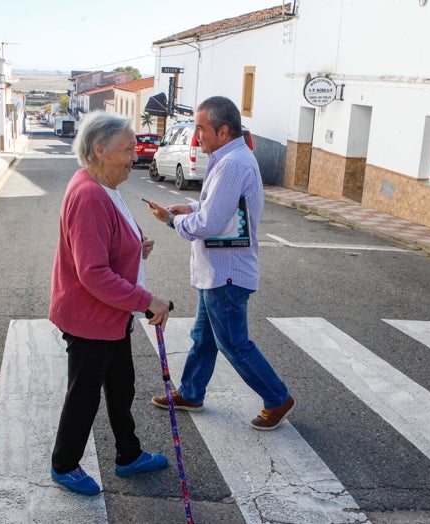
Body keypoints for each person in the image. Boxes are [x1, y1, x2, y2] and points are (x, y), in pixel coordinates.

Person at [145, 96, 294, 431]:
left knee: (233, 343)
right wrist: (191, 208)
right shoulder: (231, 158)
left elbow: (211, 225)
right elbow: (220, 209)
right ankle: (191, 393)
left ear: (223, 130)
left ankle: (277, 397)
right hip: (217, 272)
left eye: (201, 128)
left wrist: (171, 221)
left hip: (226, 274)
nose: (196, 136)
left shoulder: (232, 164)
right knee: (205, 337)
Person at [49, 111, 172, 496]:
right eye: (127, 149)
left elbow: (107, 244)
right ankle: (64, 465)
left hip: (111, 317)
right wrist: (147, 300)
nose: (134, 156)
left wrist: (136, 248)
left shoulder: (102, 185)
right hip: (90, 319)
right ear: (100, 151)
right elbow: (93, 273)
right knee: (83, 397)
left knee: (121, 388)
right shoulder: (89, 195)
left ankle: (128, 455)